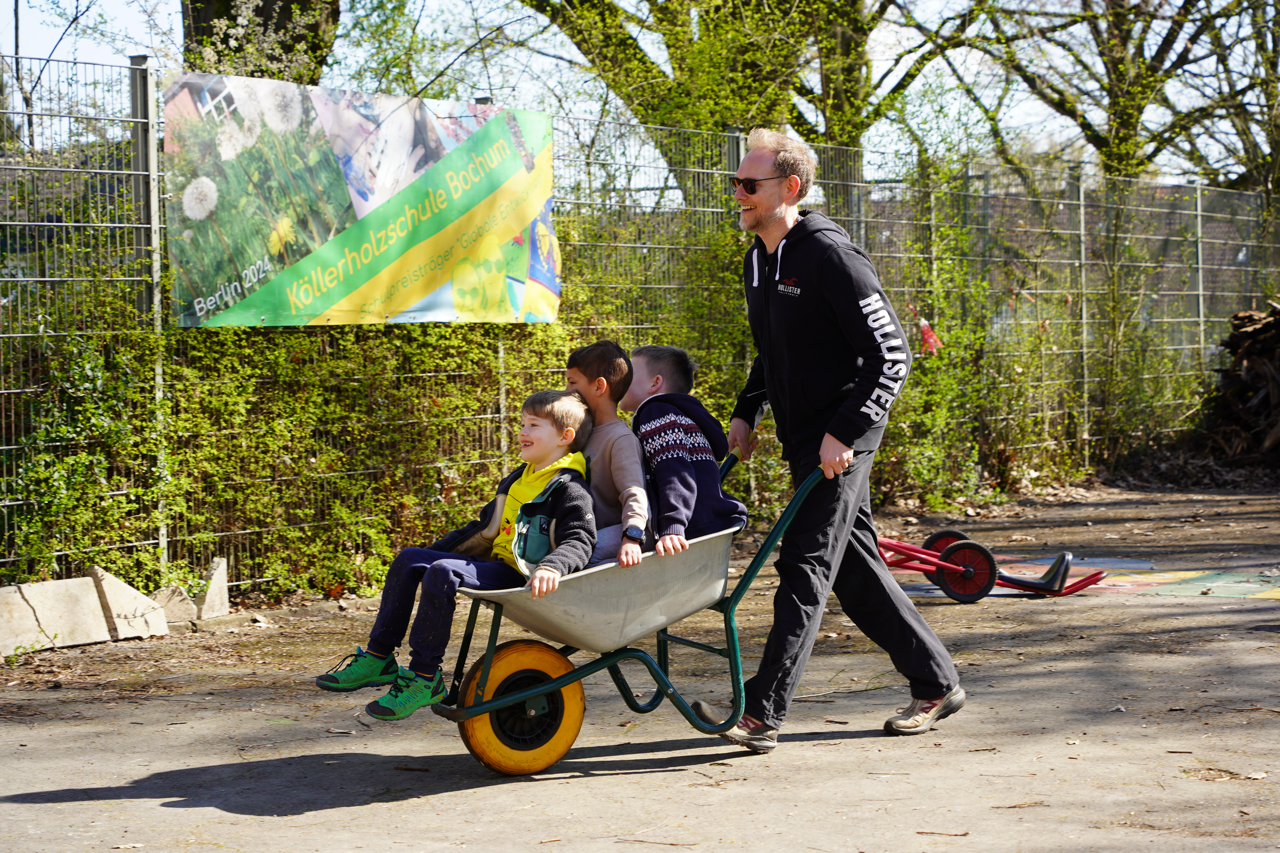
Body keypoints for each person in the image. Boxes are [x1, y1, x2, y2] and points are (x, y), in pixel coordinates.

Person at [715, 128, 962, 752]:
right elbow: (772, 350)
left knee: (805, 562)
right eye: (736, 182)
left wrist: (844, 432)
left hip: (843, 433)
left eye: (749, 184)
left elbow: (892, 356)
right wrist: (746, 411)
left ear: (790, 188)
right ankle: (936, 682)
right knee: (853, 568)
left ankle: (761, 711)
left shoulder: (832, 258)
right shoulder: (757, 259)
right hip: (803, 434)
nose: (737, 193)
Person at [314, 390, 596, 721]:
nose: (522, 431)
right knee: (409, 558)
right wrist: (429, 554)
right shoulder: (519, 479)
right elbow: (481, 527)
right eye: (522, 424)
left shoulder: (569, 488)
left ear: (565, 437)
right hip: (494, 564)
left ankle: (425, 677)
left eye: (533, 425)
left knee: (443, 572)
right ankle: (379, 657)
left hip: (521, 574)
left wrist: (552, 567)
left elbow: (580, 539)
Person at [619, 345, 748, 553]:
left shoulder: (656, 412)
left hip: (685, 527)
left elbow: (674, 470)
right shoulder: (681, 415)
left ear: (655, 383)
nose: (621, 382)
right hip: (703, 518)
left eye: (629, 376)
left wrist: (673, 526)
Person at [565, 341, 649, 567]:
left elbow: (634, 492)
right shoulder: (580, 433)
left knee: (578, 559)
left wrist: (631, 537)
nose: (566, 391)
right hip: (581, 530)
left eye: (572, 382)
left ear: (599, 386)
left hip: (609, 533)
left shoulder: (620, 439)